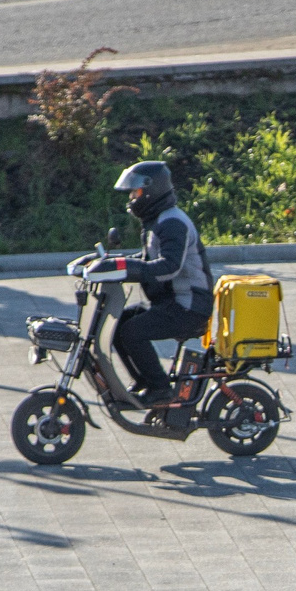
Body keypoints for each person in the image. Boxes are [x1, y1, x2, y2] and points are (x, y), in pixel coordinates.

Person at [111, 160, 214, 407]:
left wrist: (127, 269)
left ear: (150, 191)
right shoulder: (158, 220)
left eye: (135, 193)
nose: (132, 198)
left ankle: (160, 389)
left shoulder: (172, 223)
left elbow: (169, 267)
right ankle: (146, 381)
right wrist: (112, 262)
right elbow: (147, 260)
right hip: (173, 302)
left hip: (189, 306)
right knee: (119, 323)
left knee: (132, 332)